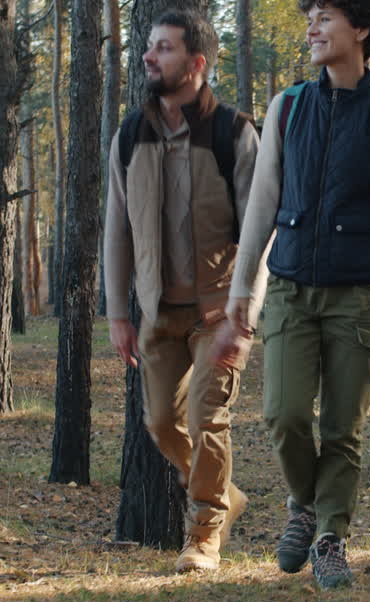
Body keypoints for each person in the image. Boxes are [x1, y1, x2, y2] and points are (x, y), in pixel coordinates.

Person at [219, 0, 370, 589]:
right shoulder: (287, 107)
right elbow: (263, 203)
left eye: (325, 16)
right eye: (309, 16)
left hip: (360, 296)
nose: (312, 27)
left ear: (360, 29)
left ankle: (330, 538)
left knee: (341, 428)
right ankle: (305, 505)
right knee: (282, 415)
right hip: (290, 288)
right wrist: (242, 285)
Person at [103, 10, 259, 573]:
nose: (149, 56)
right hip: (157, 313)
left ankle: (204, 535)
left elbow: (260, 231)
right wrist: (118, 313)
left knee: (207, 420)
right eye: (149, 46)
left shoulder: (234, 133)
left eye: (163, 48)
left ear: (196, 63)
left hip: (218, 312)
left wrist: (243, 313)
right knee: (161, 425)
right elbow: (116, 229)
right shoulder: (131, 134)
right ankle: (224, 493)